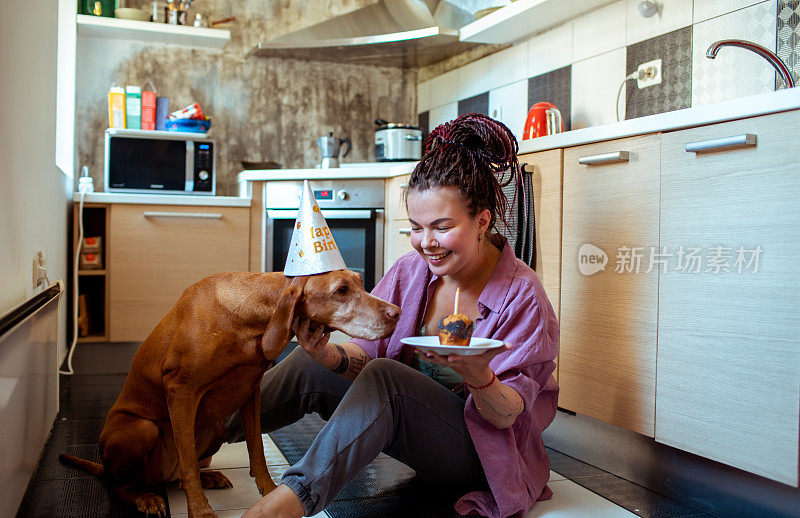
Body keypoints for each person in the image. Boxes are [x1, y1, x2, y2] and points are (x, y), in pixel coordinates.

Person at [227, 113, 560, 518]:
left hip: (486, 459)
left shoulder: (523, 297)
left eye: (441, 227)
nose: (427, 243)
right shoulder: (411, 271)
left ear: (482, 221)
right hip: (420, 434)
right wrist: (326, 355)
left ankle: (281, 507)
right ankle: (188, 438)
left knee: (388, 379)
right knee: (307, 363)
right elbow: (364, 359)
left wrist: (478, 373)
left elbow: (507, 416)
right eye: (417, 228)